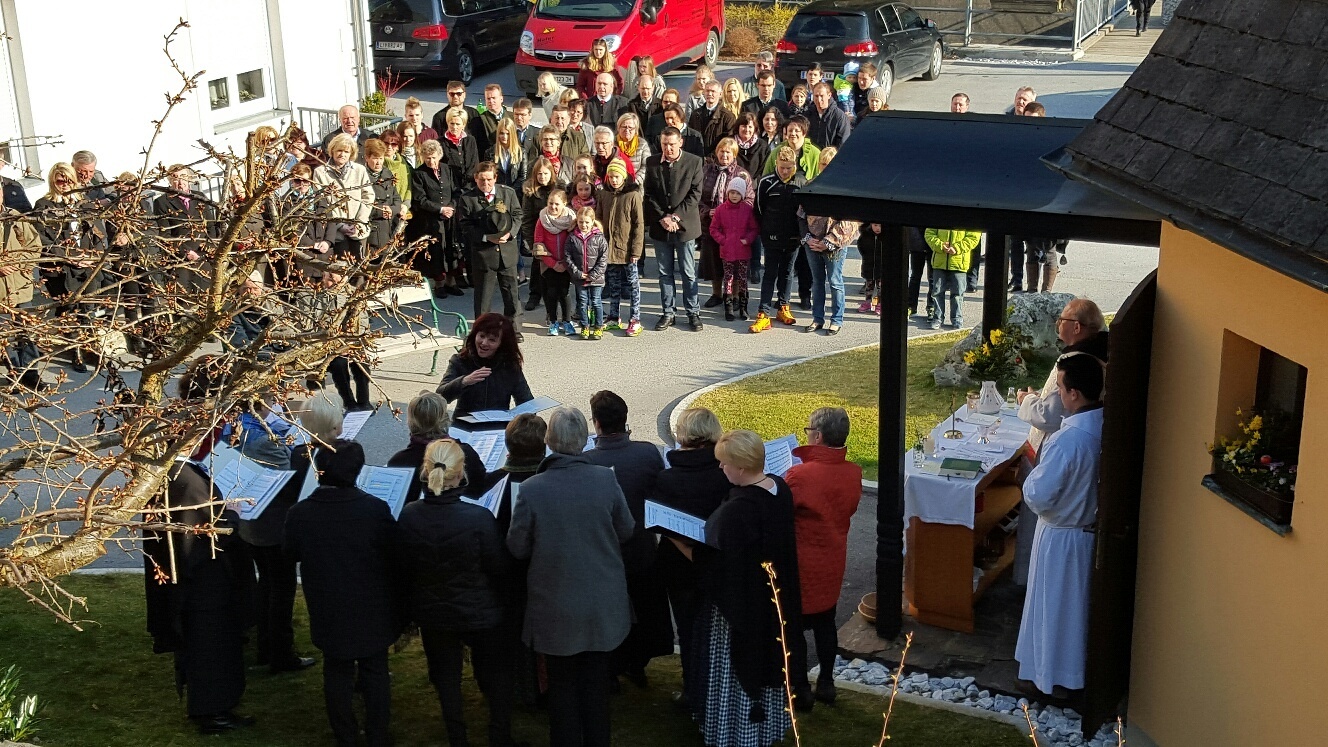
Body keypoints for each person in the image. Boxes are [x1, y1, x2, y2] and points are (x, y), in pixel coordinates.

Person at [507, 407, 635, 747]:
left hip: (556, 606)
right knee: (596, 686)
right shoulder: (605, 479)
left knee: (562, 688)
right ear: (583, 440)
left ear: (549, 441)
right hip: (601, 604)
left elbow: (517, 547)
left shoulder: (532, 489)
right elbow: (626, 529)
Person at [142, 363, 251, 735]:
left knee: (201, 648)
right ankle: (212, 712)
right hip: (203, 586)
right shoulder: (187, 482)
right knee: (210, 650)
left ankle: (211, 705)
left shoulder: (171, 473)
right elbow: (204, 535)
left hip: (189, 585)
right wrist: (231, 515)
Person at [399, 438, 521, 747]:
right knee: (496, 674)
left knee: (446, 678)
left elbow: (405, 566)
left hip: (434, 613)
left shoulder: (410, 515)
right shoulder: (478, 518)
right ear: (460, 472)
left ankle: (457, 737)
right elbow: (498, 568)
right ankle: (500, 735)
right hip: (480, 611)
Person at [687, 430, 800, 747]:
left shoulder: (739, 510)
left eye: (724, 463)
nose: (720, 468)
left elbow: (721, 569)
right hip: (773, 602)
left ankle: (735, 734)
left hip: (743, 610)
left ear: (739, 466)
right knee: (769, 669)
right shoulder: (779, 489)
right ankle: (767, 731)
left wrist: (684, 547)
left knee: (735, 672)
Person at [285, 441, 401, 747]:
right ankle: (378, 734)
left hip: (328, 604)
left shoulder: (300, 513)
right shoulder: (374, 509)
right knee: (375, 670)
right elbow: (393, 552)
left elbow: (290, 553)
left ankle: (345, 735)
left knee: (336, 670)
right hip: (370, 603)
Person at [1015, 353, 1105, 698]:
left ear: (1073, 394)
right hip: (1085, 532)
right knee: (1074, 611)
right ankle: (1068, 674)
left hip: (1061, 535)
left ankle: (1049, 677)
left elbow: (1039, 495)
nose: (1058, 395)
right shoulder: (1102, 426)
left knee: (1053, 609)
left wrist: (1029, 478)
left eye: (1061, 389)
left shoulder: (1069, 440)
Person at [583, 391, 673, 688]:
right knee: (643, 609)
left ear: (596, 423)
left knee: (610, 613)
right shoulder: (647, 452)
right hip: (641, 548)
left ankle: (612, 669)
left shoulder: (587, 461)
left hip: (605, 552)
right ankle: (637, 664)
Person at [784, 408, 862, 709]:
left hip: (801, 562)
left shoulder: (800, 475)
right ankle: (827, 683)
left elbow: (784, 512)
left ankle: (801, 689)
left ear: (817, 436)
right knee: (825, 622)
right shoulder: (853, 473)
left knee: (794, 628)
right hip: (833, 556)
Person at [652, 407, 730, 707]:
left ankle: (692, 690)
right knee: (718, 631)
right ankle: (719, 690)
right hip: (717, 562)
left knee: (687, 629)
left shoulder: (667, 477)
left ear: (682, 435)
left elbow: (658, 520)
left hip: (678, 565)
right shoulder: (725, 473)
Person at [35, 162, 108, 373]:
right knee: (68, 310)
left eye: (68, 180)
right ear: (53, 182)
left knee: (88, 309)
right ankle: (76, 351)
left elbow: (100, 234)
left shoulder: (85, 204)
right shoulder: (44, 206)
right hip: (61, 269)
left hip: (87, 267)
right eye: (60, 181)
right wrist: (69, 257)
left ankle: (89, 346)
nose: (65, 184)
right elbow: (44, 240)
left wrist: (92, 257)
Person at [644, 127, 705, 332]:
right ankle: (668, 312)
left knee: (688, 272)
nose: (668, 148)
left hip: (685, 226)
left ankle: (693, 312)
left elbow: (695, 194)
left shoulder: (694, 162)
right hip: (661, 226)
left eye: (671, 144)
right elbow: (649, 194)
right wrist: (663, 217)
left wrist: (676, 217)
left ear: (680, 143)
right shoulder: (652, 162)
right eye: (664, 144)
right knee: (664, 273)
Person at [388, 390, 487, 502]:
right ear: (446, 419)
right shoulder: (466, 454)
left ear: (411, 422)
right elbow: (479, 489)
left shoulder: (398, 461)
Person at [750, 146, 807, 333]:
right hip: (771, 237)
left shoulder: (801, 182)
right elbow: (758, 209)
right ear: (776, 164)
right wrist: (766, 230)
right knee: (770, 273)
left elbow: (805, 212)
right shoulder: (766, 182)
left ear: (795, 165)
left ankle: (784, 306)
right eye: (782, 167)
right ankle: (763, 313)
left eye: (789, 168)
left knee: (788, 272)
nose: (785, 171)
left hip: (793, 237)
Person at [801, 149, 858, 335]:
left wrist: (828, 241)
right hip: (812, 243)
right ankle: (817, 318)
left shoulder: (846, 190)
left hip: (835, 245)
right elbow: (800, 216)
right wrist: (808, 238)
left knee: (835, 281)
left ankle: (836, 320)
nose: (826, 168)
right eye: (823, 164)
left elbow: (850, 221)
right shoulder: (810, 186)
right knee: (817, 281)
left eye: (830, 164)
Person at [460, 161, 524, 325]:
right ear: (476, 178)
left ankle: (514, 329)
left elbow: (517, 215)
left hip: (507, 253)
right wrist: (486, 237)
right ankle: (482, 329)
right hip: (484, 255)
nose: (486, 183)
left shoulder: (508, 193)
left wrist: (510, 233)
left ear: (495, 178)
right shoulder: (467, 198)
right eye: (482, 180)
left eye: (489, 179)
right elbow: (465, 226)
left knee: (511, 294)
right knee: (483, 297)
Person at [436, 312, 533, 418]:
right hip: (464, 423)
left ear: (502, 344)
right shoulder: (460, 360)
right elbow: (439, 397)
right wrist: (464, 381)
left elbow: (526, 403)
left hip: (497, 424)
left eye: (492, 340)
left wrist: (516, 420)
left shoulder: (509, 366)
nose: (484, 343)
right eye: (481, 336)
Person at [698, 139, 752, 311]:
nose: (724, 155)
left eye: (728, 152)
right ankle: (717, 294)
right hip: (711, 225)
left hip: (734, 228)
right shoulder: (706, 171)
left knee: (733, 262)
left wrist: (731, 212)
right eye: (722, 151)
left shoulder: (741, 174)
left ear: (734, 154)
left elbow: (749, 199)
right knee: (713, 261)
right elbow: (697, 196)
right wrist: (707, 211)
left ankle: (733, 296)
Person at [595, 159, 646, 336]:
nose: (614, 180)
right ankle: (613, 316)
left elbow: (639, 224)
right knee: (613, 283)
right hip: (609, 249)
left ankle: (635, 319)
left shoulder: (633, 195)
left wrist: (636, 250)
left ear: (623, 177)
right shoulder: (604, 194)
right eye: (611, 177)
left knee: (633, 285)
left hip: (627, 249)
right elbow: (598, 219)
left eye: (617, 176)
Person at [407, 139, 460, 297]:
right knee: (436, 251)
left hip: (450, 217)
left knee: (451, 248)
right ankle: (439, 284)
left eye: (434, 157)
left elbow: (456, 191)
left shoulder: (447, 169)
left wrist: (451, 207)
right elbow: (420, 199)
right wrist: (440, 209)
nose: (431, 161)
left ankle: (452, 282)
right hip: (431, 219)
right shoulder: (419, 174)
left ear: (439, 156)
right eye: (428, 158)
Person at [154, 164, 215, 295]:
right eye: (175, 178)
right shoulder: (162, 202)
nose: (180, 182)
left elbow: (211, 227)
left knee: (206, 296)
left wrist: (207, 249)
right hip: (179, 260)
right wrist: (186, 252)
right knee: (183, 299)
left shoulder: (200, 197)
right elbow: (165, 234)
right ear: (170, 181)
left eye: (183, 176)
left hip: (203, 257)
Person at [1, 206, 44, 390]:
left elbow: (35, 246)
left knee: (26, 331)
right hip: (1, 291)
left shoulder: (15, 217)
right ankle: (14, 374)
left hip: (21, 285)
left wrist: (17, 263)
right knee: (5, 336)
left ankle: (30, 373)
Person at [313, 134, 374, 260]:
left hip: (358, 230)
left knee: (359, 267)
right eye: (339, 150)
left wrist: (359, 222)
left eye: (346, 151)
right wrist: (340, 225)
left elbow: (368, 196)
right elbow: (321, 202)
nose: (342, 154)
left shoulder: (360, 170)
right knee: (339, 268)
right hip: (335, 232)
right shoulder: (320, 172)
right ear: (332, 150)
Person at [708, 175, 757, 321]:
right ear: (728, 193)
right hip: (727, 251)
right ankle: (728, 308)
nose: (734, 196)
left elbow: (754, 228)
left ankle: (743, 308)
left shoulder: (747, 209)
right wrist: (723, 240)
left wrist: (747, 240)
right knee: (728, 279)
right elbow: (713, 229)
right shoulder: (720, 210)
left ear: (742, 195)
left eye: (737, 193)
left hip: (743, 251)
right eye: (732, 192)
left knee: (742, 279)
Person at [534, 188, 576, 335]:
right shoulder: (542, 220)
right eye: (550, 203)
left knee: (564, 292)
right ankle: (553, 321)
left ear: (564, 203)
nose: (553, 207)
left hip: (566, 263)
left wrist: (565, 262)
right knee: (551, 292)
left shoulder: (571, 220)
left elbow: (575, 242)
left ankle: (567, 321)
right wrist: (552, 263)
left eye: (557, 204)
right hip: (548, 264)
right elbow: (538, 244)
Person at [521, 156, 559, 314]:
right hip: (539, 235)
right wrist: (532, 243)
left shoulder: (559, 188)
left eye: (545, 173)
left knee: (556, 267)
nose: (542, 177)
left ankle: (556, 297)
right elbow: (527, 219)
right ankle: (534, 295)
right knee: (538, 266)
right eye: (539, 174)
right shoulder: (530, 192)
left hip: (556, 234)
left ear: (551, 174)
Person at [924, 227, 981, 330]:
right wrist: (940, 245)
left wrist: (957, 248)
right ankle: (937, 319)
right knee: (937, 292)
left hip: (959, 263)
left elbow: (974, 237)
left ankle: (957, 319)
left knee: (957, 293)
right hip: (939, 262)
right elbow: (929, 233)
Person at [566, 206, 608, 339]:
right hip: (580, 278)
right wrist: (578, 273)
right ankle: (585, 326)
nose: (584, 225)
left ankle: (598, 326)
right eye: (581, 222)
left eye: (587, 222)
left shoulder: (599, 238)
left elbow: (603, 259)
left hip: (596, 278)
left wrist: (593, 275)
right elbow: (568, 257)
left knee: (596, 302)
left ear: (592, 221)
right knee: (583, 302)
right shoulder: (572, 237)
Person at [363, 138, 404, 256]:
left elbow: (396, 198)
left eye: (381, 158)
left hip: (392, 228)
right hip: (374, 232)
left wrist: (393, 209)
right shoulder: (362, 176)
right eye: (375, 158)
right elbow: (359, 205)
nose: (378, 162)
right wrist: (380, 211)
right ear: (367, 158)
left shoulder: (387, 173)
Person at [689, 81, 736, 158]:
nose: (710, 94)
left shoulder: (728, 117)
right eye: (707, 91)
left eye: (713, 91)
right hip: (697, 159)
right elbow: (690, 137)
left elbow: (727, 141)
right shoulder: (695, 114)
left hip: (717, 159)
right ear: (704, 93)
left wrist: (710, 157)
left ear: (720, 94)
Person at [440, 106, 481, 195]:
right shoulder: (440, 142)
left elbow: (474, 163)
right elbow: (443, 168)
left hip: (470, 186)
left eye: (458, 124)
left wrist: (467, 186)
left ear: (463, 125)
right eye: (452, 123)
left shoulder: (470, 140)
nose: (454, 127)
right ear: (447, 123)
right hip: (450, 188)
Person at [470, 83, 511, 157]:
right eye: (488, 99)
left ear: (501, 99)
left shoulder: (512, 117)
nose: (491, 101)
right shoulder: (479, 120)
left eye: (494, 98)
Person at [806, 82, 850, 150]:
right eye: (816, 96)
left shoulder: (839, 117)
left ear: (829, 95)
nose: (819, 100)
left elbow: (843, 142)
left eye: (822, 96)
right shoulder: (807, 115)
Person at [628, 75, 667, 146]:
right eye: (643, 88)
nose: (645, 91)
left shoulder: (660, 105)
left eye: (648, 88)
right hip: (638, 143)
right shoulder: (631, 105)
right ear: (638, 88)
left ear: (653, 88)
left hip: (656, 144)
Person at [733, 112, 771, 182]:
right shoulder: (730, 143)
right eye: (744, 126)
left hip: (753, 185)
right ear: (738, 127)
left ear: (755, 129)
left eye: (750, 127)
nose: (747, 130)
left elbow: (763, 171)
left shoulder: (763, 146)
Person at [615, 112, 651, 185]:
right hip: (615, 183)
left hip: (636, 185)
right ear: (618, 128)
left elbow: (646, 166)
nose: (627, 130)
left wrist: (634, 182)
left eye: (630, 127)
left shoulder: (642, 144)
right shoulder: (612, 143)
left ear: (636, 129)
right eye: (624, 127)